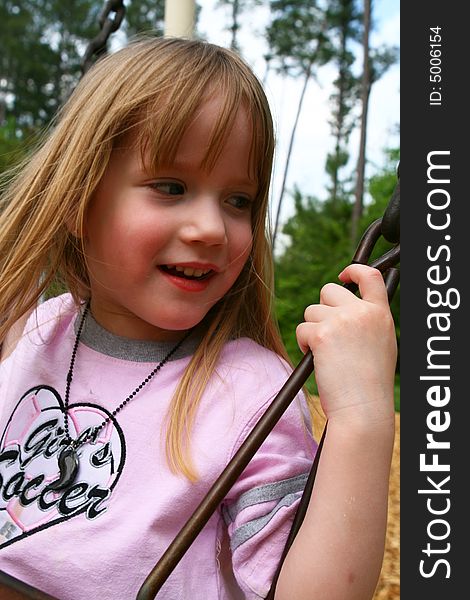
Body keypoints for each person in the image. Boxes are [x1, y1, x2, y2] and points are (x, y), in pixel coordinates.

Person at [0, 36, 397, 600]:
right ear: (76, 199)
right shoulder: (35, 332)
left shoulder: (247, 395)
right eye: (172, 187)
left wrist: (363, 418)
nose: (212, 228)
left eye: (238, 200)